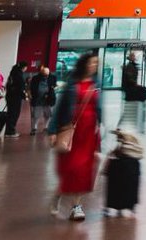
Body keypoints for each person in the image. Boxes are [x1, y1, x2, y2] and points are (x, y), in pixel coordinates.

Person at [48, 52, 102, 222]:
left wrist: (102, 128)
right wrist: (52, 130)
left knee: (84, 170)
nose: (94, 66)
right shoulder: (73, 83)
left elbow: (99, 108)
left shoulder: (97, 83)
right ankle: (59, 194)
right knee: (71, 169)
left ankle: (76, 206)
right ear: (84, 64)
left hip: (89, 132)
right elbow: (59, 107)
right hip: (72, 130)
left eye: (96, 64)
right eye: (92, 63)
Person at [121, 50, 146, 131]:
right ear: (130, 58)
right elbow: (130, 78)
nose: (134, 57)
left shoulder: (132, 66)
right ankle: (121, 126)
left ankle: (135, 124)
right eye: (133, 56)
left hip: (131, 88)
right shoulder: (129, 66)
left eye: (134, 56)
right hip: (130, 89)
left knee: (130, 108)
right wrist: (135, 84)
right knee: (129, 108)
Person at [29, 64, 57, 136]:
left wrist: (51, 91)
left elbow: (54, 86)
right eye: (44, 75)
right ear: (41, 73)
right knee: (36, 114)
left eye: (47, 75)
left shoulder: (53, 77)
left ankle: (46, 127)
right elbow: (32, 87)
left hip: (48, 99)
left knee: (48, 114)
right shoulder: (35, 78)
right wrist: (31, 95)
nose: (45, 76)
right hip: (37, 98)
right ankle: (34, 128)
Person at [4, 62, 25, 138]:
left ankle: (8, 131)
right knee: (14, 114)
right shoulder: (19, 75)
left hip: (9, 97)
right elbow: (20, 88)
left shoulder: (12, 74)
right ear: (23, 67)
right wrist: (24, 96)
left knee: (10, 113)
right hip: (15, 98)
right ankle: (10, 131)